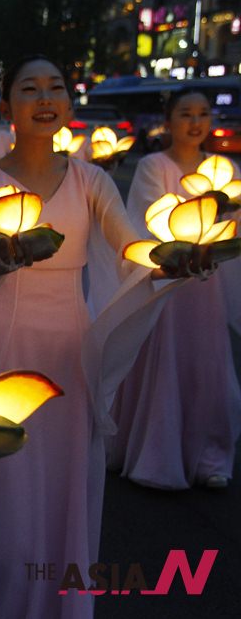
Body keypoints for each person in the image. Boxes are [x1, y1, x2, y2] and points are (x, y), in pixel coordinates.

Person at [0, 56, 190, 619]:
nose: (45, 97)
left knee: (57, 478)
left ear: (68, 102)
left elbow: (129, 244)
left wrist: (171, 258)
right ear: (7, 104)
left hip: (67, 351)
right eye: (30, 87)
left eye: (56, 87)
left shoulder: (90, 179)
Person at [107, 88, 241, 490]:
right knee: (165, 360)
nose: (195, 122)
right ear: (169, 119)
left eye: (203, 113)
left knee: (206, 364)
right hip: (168, 285)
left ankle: (209, 453)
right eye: (186, 113)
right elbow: (148, 224)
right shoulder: (152, 166)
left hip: (207, 285)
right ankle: (156, 450)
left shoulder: (225, 168)